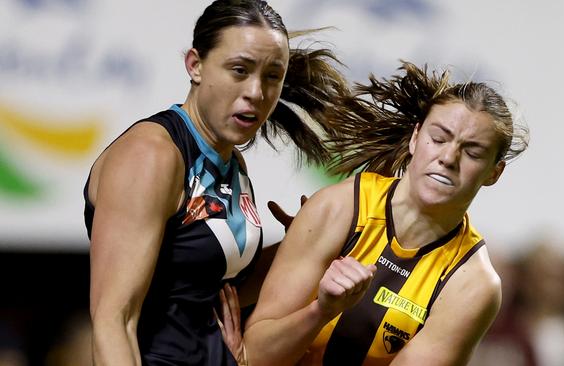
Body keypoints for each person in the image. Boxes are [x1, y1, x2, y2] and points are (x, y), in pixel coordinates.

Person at [82, 1, 349, 365]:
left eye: (273, 76)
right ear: (195, 65)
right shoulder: (151, 155)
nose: (257, 92)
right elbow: (114, 320)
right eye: (239, 70)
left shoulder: (230, 160)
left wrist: (302, 244)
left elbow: (217, 288)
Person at [242, 61, 530, 365]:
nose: (448, 157)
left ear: (494, 173)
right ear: (416, 138)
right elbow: (255, 356)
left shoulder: (473, 283)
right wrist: (322, 311)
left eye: (472, 151)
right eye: (439, 138)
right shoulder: (337, 209)